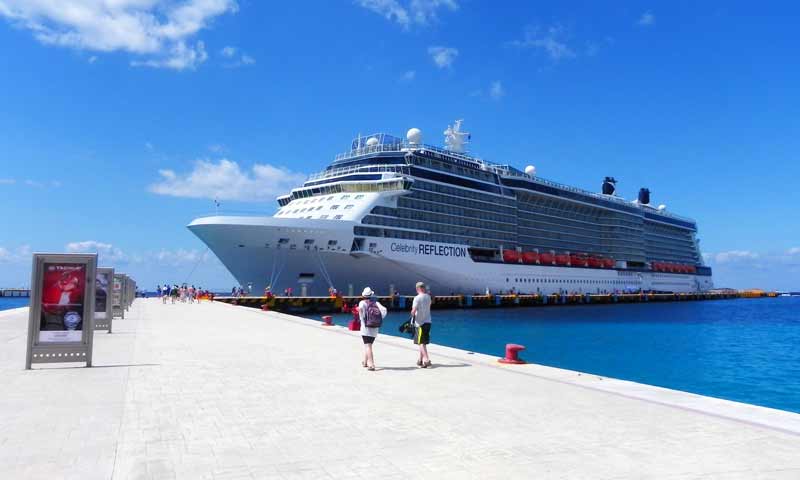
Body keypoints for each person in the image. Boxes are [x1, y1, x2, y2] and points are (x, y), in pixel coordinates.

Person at [358, 287, 387, 371]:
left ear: (364, 295)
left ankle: (371, 364)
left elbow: (361, 313)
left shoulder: (362, 303)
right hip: (375, 328)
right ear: (371, 295)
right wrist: (379, 318)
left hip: (365, 328)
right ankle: (365, 362)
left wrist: (362, 318)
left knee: (368, 346)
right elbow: (384, 310)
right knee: (369, 345)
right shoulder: (376, 303)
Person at [411, 281, 432, 368]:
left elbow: (413, 311)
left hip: (420, 323)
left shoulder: (417, 298)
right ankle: (420, 360)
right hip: (428, 322)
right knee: (423, 342)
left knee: (420, 343)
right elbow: (428, 308)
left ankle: (426, 360)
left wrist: (412, 315)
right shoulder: (428, 297)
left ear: (418, 288)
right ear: (423, 288)